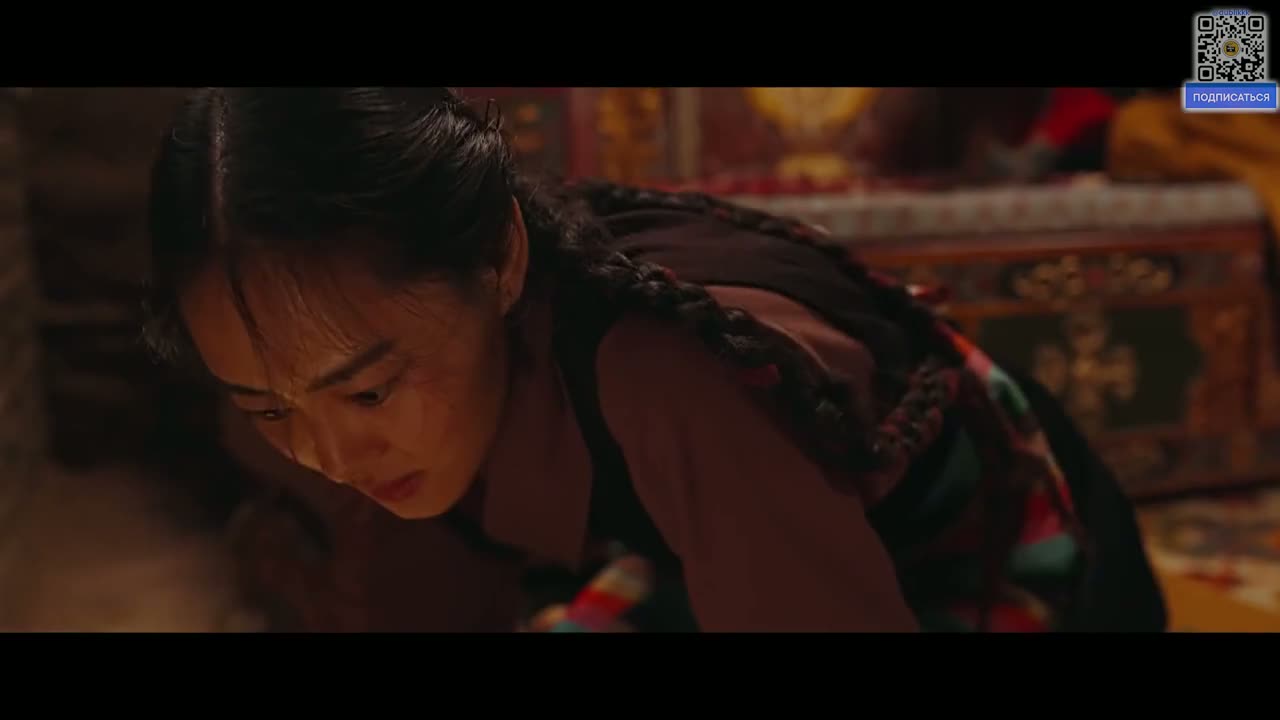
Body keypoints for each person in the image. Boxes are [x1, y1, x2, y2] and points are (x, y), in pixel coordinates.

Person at [142, 87, 1166, 632]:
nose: (329, 455)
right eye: (269, 410)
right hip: (750, 551)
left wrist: (1187, 110)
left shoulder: (670, 380)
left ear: (499, 258)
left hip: (1001, 553)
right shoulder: (458, 332)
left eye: (365, 391)